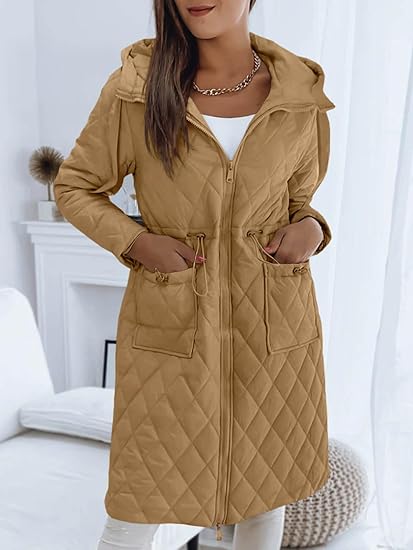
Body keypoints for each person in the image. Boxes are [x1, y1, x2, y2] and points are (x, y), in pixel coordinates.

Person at [54, 0, 335, 549]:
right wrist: (138, 242)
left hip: (273, 328)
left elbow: (299, 201)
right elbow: (75, 186)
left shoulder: (299, 94)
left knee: (263, 497)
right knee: (136, 505)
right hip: (172, 330)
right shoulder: (136, 88)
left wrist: (312, 230)